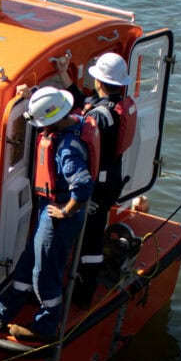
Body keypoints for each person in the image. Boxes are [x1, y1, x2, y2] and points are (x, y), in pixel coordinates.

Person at [0, 87, 95, 342]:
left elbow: (83, 187)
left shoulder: (68, 149)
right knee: (28, 263)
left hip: (58, 216)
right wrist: (34, 94)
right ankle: (0, 312)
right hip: (48, 212)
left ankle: (45, 326)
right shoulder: (73, 120)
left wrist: (65, 211)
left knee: (45, 271)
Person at [55, 51, 137, 307]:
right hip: (110, 181)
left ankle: (83, 294)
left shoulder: (101, 116)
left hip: (98, 189)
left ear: (99, 82)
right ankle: (83, 282)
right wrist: (63, 74)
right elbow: (84, 102)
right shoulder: (118, 105)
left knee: (90, 240)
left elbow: (80, 123)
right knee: (93, 233)